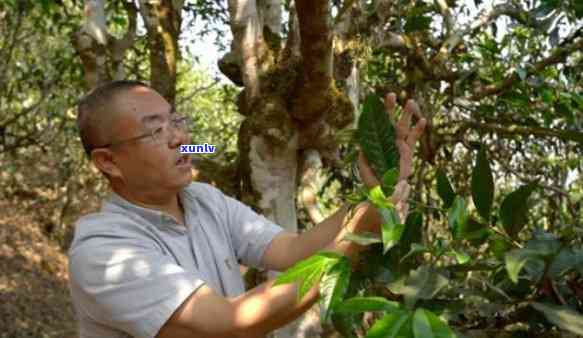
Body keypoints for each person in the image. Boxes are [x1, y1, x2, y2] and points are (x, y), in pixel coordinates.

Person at [68, 80, 426, 338]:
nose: (179, 138)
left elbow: (292, 250)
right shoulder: (105, 253)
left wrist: (375, 194)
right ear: (108, 162)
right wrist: (355, 238)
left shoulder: (204, 201)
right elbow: (231, 323)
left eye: (176, 122)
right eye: (154, 131)